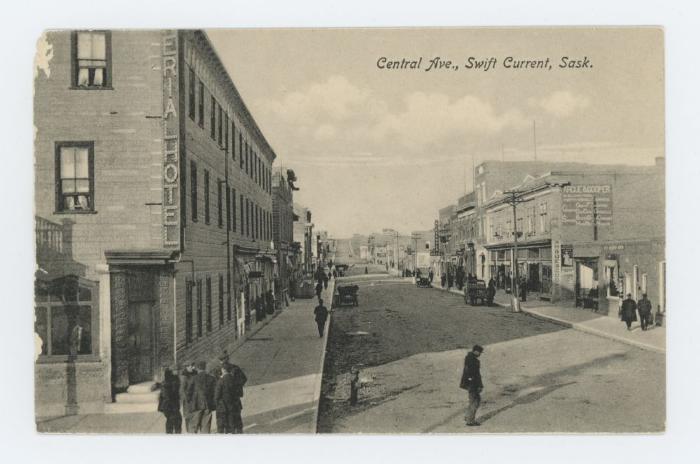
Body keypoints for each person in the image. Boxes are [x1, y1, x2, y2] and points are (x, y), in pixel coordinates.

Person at [215, 362, 247, 433]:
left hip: (225, 406)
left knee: (228, 424)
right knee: (237, 422)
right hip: (235, 404)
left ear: (223, 370)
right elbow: (239, 392)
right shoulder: (235, 380)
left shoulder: (221, 381)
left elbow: (217, 396)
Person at [459, 344, 484, 426]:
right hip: (473, 384)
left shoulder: (469, 358)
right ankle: (470, 420)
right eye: (480, 352)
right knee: (475, 401)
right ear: (476, 351)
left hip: (470, 383)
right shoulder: (472, 360)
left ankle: (467, 416)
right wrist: (476, 384)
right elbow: (473, 374)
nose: (480, 354)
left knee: (473, 400)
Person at [189, 361, 216, 433]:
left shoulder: (193, 378)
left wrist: (190, 402)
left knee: (193, 426)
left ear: (197, 368)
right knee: (206, 426)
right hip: (208, 404)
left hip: (196, 405)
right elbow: (215, 392)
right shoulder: (211, 378)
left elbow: (188, 392)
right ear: (205, 367)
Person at [158, 367, 182, 434]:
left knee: (169, 422)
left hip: (167, 406)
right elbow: (170, 396)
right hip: (172, 406)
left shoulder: (164, 383)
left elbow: (162, 396)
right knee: (177, 421)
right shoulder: (173, 383)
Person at [180, 361, 197, 432]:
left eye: (193, 366)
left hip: (194, 398)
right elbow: (182, 390)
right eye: (191, 366)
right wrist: (187, 398)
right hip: (188, 399)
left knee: (194, 416)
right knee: (188, 416)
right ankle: (189, 431)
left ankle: (192, 430)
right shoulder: (184, 376)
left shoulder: (194, 373)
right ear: (186, 367)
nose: (193, 367)